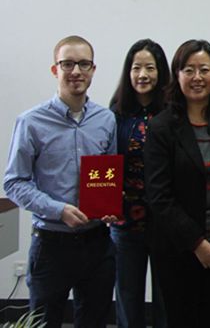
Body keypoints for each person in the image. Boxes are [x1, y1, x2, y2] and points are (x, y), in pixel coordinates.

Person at [4, 35, 117, 327]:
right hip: (50, 245)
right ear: (55, 69)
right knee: (45, 322)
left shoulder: (106, 120)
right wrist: (58, 210)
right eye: (68, 64)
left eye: (83, 64)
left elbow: (109, 176)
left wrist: (110, 206)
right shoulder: (31, 122)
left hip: (97, 243)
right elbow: (14, 182)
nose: (76, 71)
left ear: (93, 70)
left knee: (95, 321)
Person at [144, 39, 210, 327]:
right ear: (177, 75)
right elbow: (159, 195)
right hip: (178, 250)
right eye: (189, 70)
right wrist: (196, 242)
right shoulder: (161, 127)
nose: (197, 77)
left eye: (204, 69)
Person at [108, 39, 170, 328]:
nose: (143, 75)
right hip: (125, 222)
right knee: (127, 296)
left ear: (161, 72)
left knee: (166, 298)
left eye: (150, 68)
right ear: (128, 72)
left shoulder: (173, 113)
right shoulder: (114, 115)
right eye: (136, 68)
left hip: (165, 222)